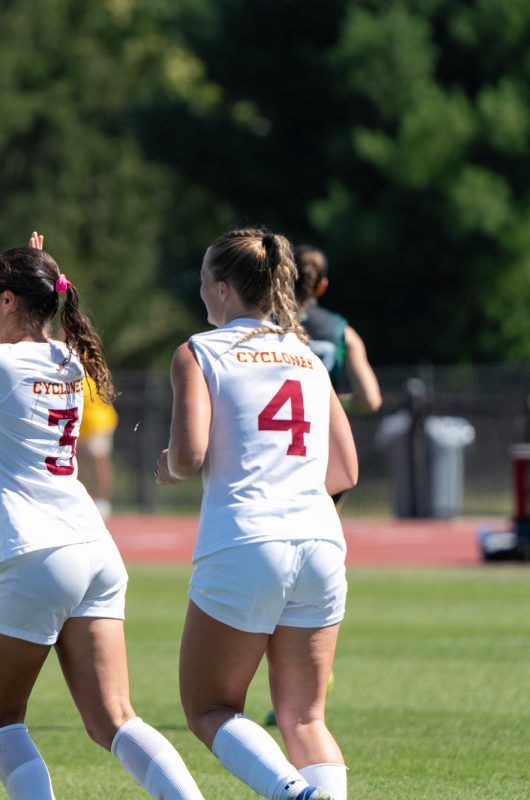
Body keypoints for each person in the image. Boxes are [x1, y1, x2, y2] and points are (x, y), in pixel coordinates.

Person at [0, 235, 205, 800]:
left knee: (1, 718)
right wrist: (38, 269)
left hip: (33, 552)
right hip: (94, 548)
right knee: (115, 719)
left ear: (9, 302)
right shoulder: (65, 357)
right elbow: (41, 325)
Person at [155, 228, 359, 800]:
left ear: (222, 288)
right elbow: (345, 471)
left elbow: (190, 456)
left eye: (202, 283)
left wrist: (166, 466)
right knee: (306, 719)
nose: (200, 295)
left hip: (246, 539)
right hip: (320, 539)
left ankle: (293, 794)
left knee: (209, 707)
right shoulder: (306, 357)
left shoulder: (199, 351)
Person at [293, 246, 381, 415]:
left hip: (275, 432)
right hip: (322, 436)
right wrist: (327, 406)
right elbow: (370, 400)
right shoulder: (343, 331)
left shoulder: (262, 324)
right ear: (322, 286)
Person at [79, 374, 118, 518]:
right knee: (78, 465)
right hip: (82, 428)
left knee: (99, 462)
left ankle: (102, 502)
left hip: (97, 425)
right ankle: (85, 499)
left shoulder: (80, 378)